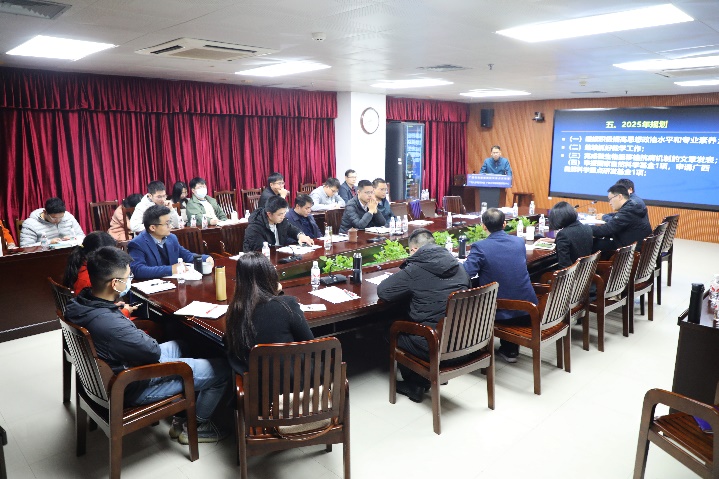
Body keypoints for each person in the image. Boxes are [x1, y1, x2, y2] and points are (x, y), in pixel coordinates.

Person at [64, 246, 230, 444]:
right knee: (222, 370)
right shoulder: (110, 324)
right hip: (132, 383)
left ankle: (182, 413)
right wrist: (135, 334)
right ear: (115, 284)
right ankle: (197, 427)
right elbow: (152, 352)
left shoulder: (79, 304)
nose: (130, 281)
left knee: (184, 345)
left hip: (120, 368)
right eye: (128, 277)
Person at [377, 228, 470, 402]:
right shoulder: (458, 266)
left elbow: (384, 292)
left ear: (414, 250)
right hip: (463, 341)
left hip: (434, 344)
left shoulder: (415, 269)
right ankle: (423, 377)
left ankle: (415, 384)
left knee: (391, 329)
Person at [463, 208, 538, 363]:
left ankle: (474, 352)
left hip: (503, 313)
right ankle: (509, 349)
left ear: (483, 226)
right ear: (504, 224)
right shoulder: (519, 242)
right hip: (529, 308)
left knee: (469, 301)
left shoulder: (480, 247)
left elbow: (467, 272)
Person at [225, 252, 314, 373]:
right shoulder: (287, 305)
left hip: (256, 381)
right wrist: (276, 293)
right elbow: (310, 344)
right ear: (270, 275)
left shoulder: (234, 311)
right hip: (293, 380)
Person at [63, 231, 139, 318]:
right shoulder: (90, 279)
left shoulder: (81, 266)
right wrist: (125, 311)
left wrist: (113, 306)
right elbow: (98, 317)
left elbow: (96, 305)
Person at [127, 205, 212, 280]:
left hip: (173, 284)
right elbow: (138, 270)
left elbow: (186, 255)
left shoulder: (171, 238)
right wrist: (171, 269)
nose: (170, 226)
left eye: (170, 222)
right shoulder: (138, 243)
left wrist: (205, 258)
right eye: (167, 223)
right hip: (151, 287)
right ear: (153, 227)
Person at [592, 184, 652, 253]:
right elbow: (615, 221)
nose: (609, 203)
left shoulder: (629, 209)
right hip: (634, 247)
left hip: (629, 252)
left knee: (593, 243)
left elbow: (607, 229)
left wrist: (585, 229)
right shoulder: (632, 206)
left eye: (610, 199)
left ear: (620, 197)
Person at [243, 196, 314, 252]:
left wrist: (300, 236)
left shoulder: (281, 221)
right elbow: (260, 251)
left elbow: (292, 229)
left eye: (284, 213)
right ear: (269, 214)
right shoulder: (254, 228)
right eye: (280, 214)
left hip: (278, 256)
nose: (283, 216)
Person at [20, 197, 85, 247]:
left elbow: (81, 236)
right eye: (54, 218)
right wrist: (48, 242)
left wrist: (72, 238)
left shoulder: (68, 217)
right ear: (45, 212)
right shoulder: (30, 224)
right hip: (46, 256)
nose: (58, 220)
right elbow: (25, 247)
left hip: (69, 253)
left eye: (61, 217)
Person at [546, 201, 593, 269]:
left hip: (571, 274)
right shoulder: (587, 228)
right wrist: (555, 240)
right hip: (584, 271)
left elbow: (564, 265)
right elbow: (575, 240)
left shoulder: (563, 234)